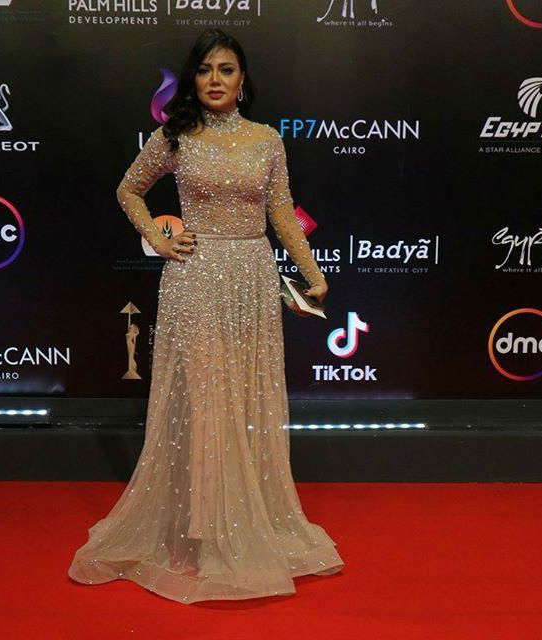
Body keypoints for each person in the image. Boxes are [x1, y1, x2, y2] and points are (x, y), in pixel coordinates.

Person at [67, 28, 344, 604]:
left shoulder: (267, 140)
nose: (215, 80)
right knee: (205, 400)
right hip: (194, 280)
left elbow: (281, 215)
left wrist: (311, 272)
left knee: (245, 400)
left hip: (252, 280)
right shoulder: (175, 136)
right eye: (204, 70)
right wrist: (157, 237)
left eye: (226, 69)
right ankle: (207, 530)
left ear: (243, 80)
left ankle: (242, 521)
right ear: (192, 79)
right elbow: (129, 190)